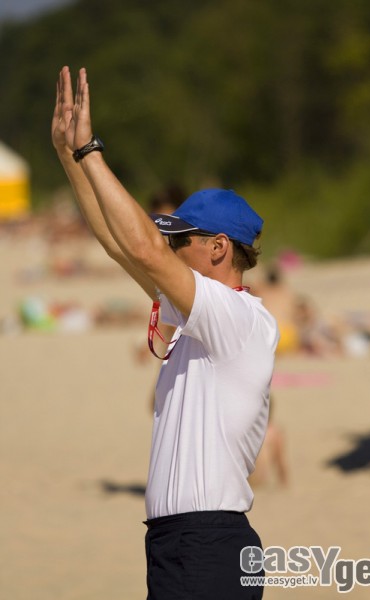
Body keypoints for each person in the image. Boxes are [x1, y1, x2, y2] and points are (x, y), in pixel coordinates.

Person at [52, 66, 279, 600]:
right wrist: (68, 157)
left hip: (210, 543)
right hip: (174, 543)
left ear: (219, 248)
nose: (170, 251)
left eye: (181, 241)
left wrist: (90, 151)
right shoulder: (197, 314)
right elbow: (120, 245)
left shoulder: (238, 317)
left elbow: (145, 249)